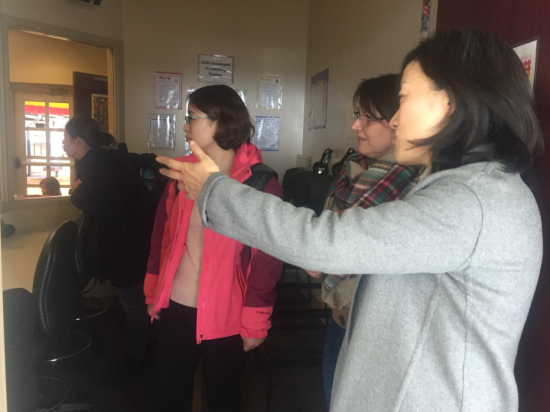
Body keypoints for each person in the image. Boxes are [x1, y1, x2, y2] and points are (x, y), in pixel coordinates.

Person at [157, 28, 543, 412]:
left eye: (404, 98)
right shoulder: (467, 189)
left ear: (451, 103)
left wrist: (213, 190)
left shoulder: (471, 202)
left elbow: (323, 244)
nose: (394, 120)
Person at [145, 84, 282, 412]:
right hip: (177, 307)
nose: (185, 126)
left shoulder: (259, 182)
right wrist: (154, 293)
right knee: (168, 395)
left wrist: (256, 320)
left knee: (223, 398)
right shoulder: (181, 174)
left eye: (191, 117)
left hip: (227, 315)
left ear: (220, 122)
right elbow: (162, 238)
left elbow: (266, 260)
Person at [310, 74, 420, 407]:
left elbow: (340, 243)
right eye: (357, 115)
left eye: (368, 118)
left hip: (373, 333)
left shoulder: (412, 184)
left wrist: (318, 252)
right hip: (339, 320)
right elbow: (327, 231)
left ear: (397, 121)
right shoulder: (352, 170)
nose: (355, 126)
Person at [63, 117, 152, 375]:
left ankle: (138, 359)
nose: (63, 144)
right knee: (133, 299)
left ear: (78, 141)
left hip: (130, 243)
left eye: (66, 139)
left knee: (133, 301)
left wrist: (77, 191)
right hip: (130, 239)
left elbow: (88, 200)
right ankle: (144, 348)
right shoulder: (99, 157)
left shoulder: (97, 162)